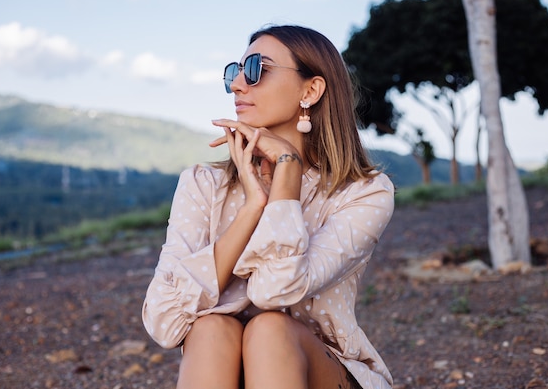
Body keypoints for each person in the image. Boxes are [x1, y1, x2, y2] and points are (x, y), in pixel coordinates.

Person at [142, 24, 394, 389]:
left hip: (323, 373)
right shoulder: (202, 184)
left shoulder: (364, 193)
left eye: (257, 69)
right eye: (235, 72)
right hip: (227, 371)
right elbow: (164, 322)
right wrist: (251, 209)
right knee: (210, 327)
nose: (237, 85)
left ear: (311, 89)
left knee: (270, 328)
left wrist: (287, 175)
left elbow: (273, 292)